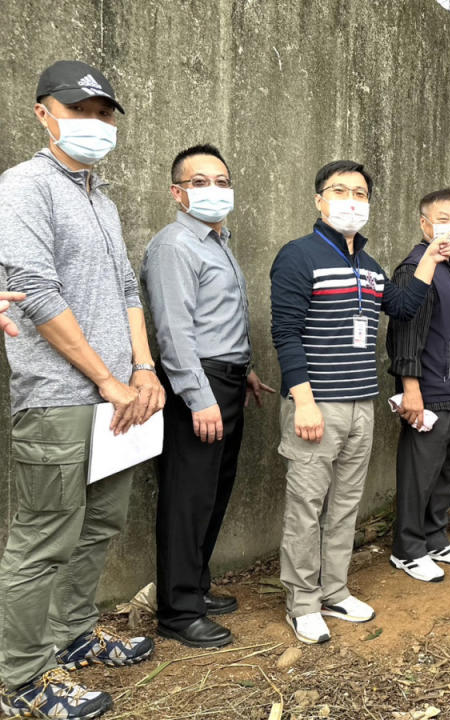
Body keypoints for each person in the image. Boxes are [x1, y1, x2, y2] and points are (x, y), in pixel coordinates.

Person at [0, 60, 162, 720]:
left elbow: (126, 290)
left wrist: (142, 372)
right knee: (43, 540)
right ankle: (21, 681)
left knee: (98, 527)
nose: (94, 123)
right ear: (44, 113)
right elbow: (36, 291)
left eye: (103, 113)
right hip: (58, 398)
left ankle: (70, 638)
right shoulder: (23, 188)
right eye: (79, 110)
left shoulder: (101, 200)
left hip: (118, 398)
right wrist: (104, 379)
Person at [270, 161, 450, 643]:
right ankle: (302, 601)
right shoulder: (298, 256)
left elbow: (404, 305)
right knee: (306, 505)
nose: (351, 200)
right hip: (317, 404)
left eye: (360, 193)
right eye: (340, 190)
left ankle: (334, 589)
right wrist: (303, 400)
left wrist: (431, 256)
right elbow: (285, 333)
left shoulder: (369, 268)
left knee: (345, 504)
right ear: (318, 200)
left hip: (361, 405)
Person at [142, 144, 274, 649]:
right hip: (196, 385)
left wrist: (245, 371)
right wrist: (199, 397)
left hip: (227, 379)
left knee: (215, 491)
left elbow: (217, 320)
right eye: (200, 182)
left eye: (221, 180)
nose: (214, 190)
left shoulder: (219, 242)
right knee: (187, 497)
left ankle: (195, 587)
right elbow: (174, 332)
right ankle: (177, 610)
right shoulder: (175, 245)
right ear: (177, 193)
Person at [386, 189, 450, 583]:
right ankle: (407, 549)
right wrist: (410, 387)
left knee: (448, 471)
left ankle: (433, 537)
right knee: (420, 472)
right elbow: (405, 333)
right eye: (444, 218)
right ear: (424, 224)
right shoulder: (418, 267)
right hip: (433, 393)